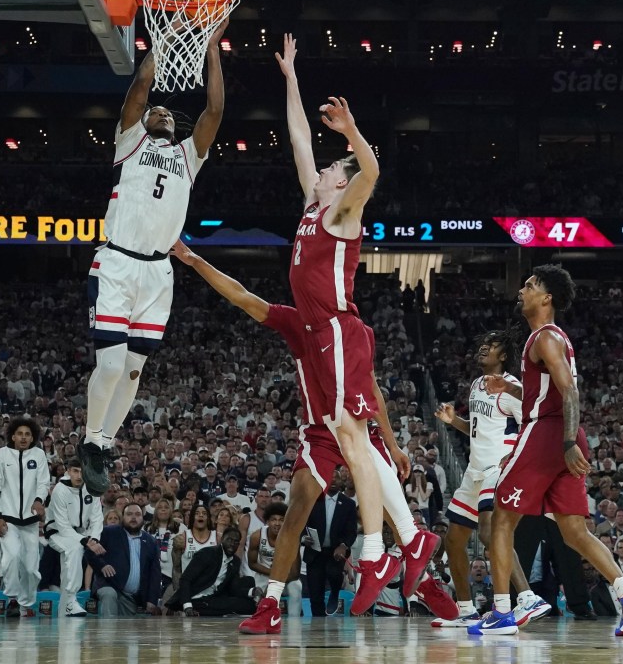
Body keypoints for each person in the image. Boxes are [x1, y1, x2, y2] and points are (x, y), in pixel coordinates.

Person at [169, 240, 442, 635]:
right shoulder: (298, 321)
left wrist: (394, 443)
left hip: (357, 428)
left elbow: (374, 390)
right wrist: (193, 259)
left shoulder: (356, 329)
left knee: (392, 517)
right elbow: (243, 297)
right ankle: (270, 605)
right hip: (320, 432)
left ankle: (427, 585)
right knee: (295, 509)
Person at [275, 32, 414, 615]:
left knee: (355, 437)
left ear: (340, 182)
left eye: (332, 169)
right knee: (355, 439)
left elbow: (371, 171)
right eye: (328, 169)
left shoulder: (344, 208)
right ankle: (394, 542)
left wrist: (352, 136)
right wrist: (291, 79)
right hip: (321, 334)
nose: (323, 170)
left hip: (338, 327)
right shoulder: (313, 203)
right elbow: (300, 137)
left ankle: (381, 547)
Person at [79, 18, 229, 498]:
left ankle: (104, 441)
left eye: (167, 111)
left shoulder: (189, 155)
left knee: (134, 369)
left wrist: (210, 48)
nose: (161, 111)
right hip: (118, 262)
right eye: (156, 110)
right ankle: (89, 438)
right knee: (108, 365)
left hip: (158, 272)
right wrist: (163, 44)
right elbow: (141, 86)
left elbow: (216, 109)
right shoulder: (131, 142)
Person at [476, 265, 623, 637]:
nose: (521, 290)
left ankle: (502, 611)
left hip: (548, 435)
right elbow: (547, 396)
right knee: (574, 530)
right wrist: (509, 391)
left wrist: (568, 441)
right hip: (560, 433)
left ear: (547, 297)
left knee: (500, 518)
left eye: (530, 285)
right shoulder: (553, 339)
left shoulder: (544, 337)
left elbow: (569, 392)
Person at [431, 331, 550, 628]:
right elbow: (475, 430)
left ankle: (526, 597)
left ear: (504, 356)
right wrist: (452, 421)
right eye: (482, 343)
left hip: (497, 468)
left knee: (488, 534)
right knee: (454, 540)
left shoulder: (511, 387)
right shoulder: (475, 385)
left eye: (492, 345)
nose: (484, 347)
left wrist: (515, 459)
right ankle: (466, 610)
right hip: (474, 470)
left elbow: (533, 424)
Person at [0, 418, 49, 618]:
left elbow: (44, 482)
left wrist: (39, 500)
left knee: (31, 569)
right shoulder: (2, 454)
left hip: (30, 521)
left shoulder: (38, 455)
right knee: (12, 556)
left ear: (33, 438)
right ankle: (12, 598)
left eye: (28, 434)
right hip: (8, 518)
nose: (23, 438)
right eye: (20, 434)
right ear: (12, 436)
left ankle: (26, 604)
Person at [43, 458, 103, 617]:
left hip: (81, 533)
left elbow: (97, 518)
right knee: (75, 549)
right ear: (68, 471)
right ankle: (71, 599)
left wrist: (94, 538)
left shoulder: (93, 489)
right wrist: (85, 541)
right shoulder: (60, 490)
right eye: (75, 471)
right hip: (56, 532)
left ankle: (65, 607)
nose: (79, 476)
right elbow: (62, 525)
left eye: (83, 472)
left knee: (69, 564)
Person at [86, 503, 162, 617]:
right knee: (109, 594)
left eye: (137, 514)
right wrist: (102, 566)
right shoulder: (108, 532)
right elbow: (89, 552)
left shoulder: (150, 541)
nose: (133, 517)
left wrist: (152, 600)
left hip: (132, 596)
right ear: (123, 517)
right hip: (108, 585)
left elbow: (155, 573)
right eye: (129, 514)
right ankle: (108, 634)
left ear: (143, 518)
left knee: (126, 630)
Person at [303, 469, 357, 617]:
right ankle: (317, 627)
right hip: (314, 551)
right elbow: (300, 524)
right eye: (329, 477)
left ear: (342, 482)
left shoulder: (349, 504)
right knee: (315, 593)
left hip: (335, 552)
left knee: (334, 573)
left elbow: (351, 532)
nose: (333, 481)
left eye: (337, 478)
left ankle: (334, 592)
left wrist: (344, 545)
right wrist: (303, 538)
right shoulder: (312, 500)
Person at [165, 527, 254, 616]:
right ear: (222, 539)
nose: (232, 544)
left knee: (250, 604)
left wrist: (252, 592)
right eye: (229, 540)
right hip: (195, 598)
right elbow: (185, 579)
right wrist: (187, 606)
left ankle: (209, 612)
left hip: (213, 598)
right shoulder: (207, 553)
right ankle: (189, 611)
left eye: (236, 542)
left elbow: (233, 588)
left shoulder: (235, 561)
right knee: (238, 606)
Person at [246, 503, 302, 618]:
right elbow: (252, 564)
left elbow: (295, 574)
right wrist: (273, 577)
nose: (277, 523)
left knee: (296, 588)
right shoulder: (257, 536)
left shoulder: (292, 539)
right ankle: (264, 620)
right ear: (267, 521)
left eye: (281, 520)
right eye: (273, 520)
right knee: (262, 599)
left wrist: (275, 581)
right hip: (264, 574)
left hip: (287, 577)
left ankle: (294, 623)